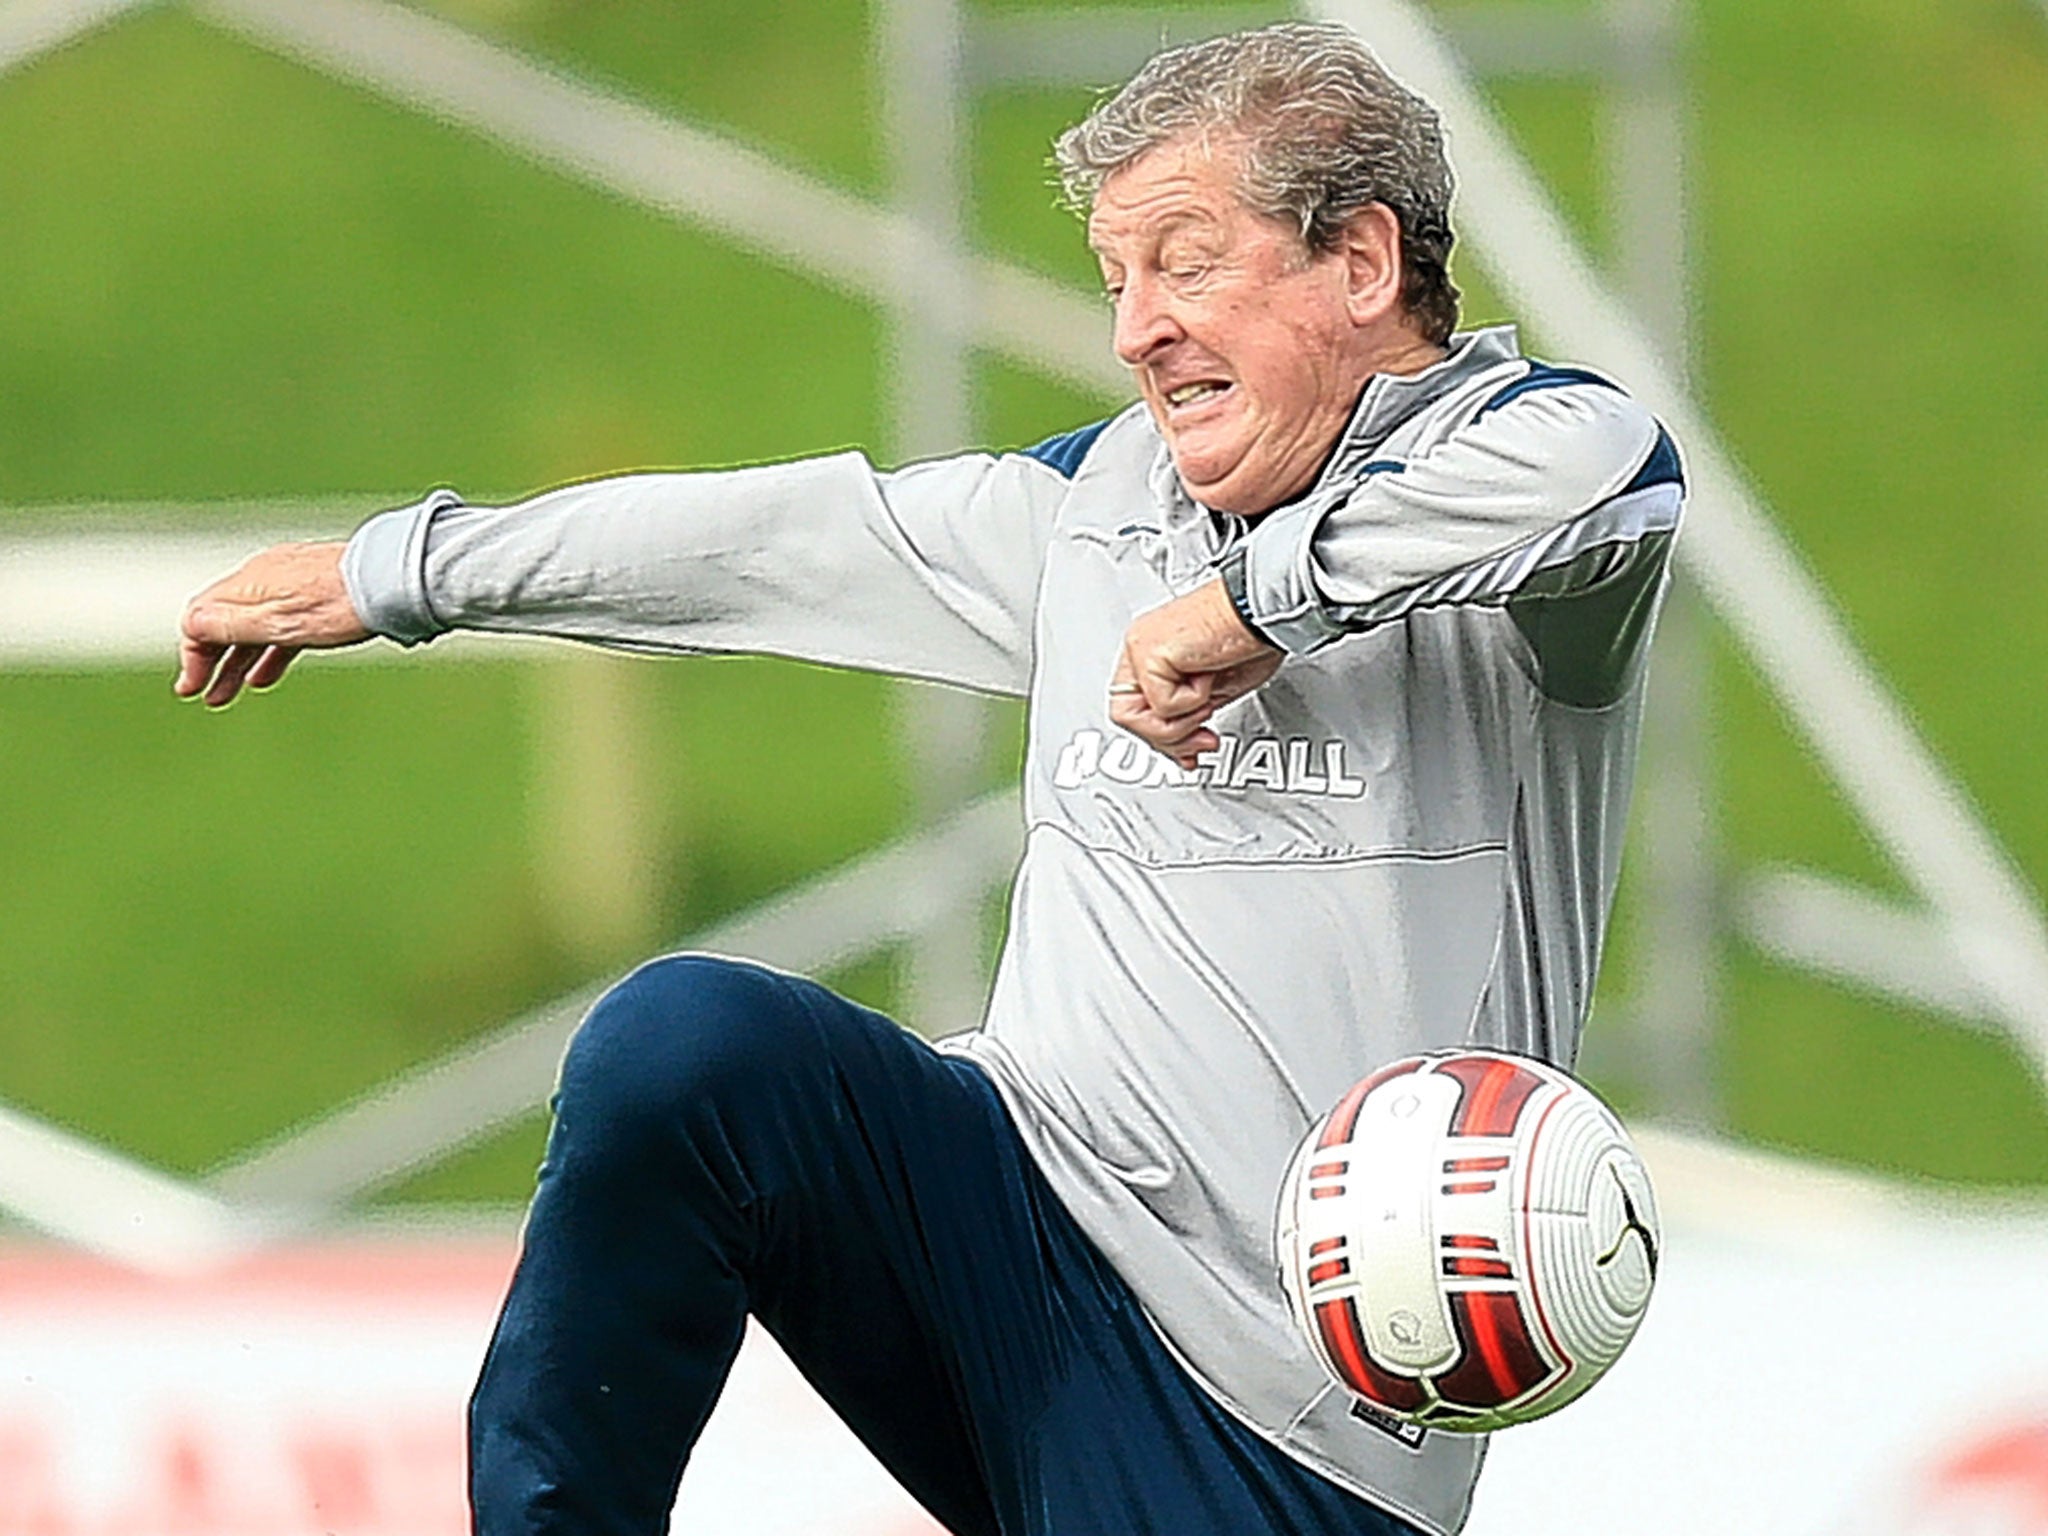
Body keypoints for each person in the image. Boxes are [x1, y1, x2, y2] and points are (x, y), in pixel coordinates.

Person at [176, 21, 1682, 1536]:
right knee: (692, 1050)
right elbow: (772, 543)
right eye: (1117, 283)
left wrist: (1252, 609)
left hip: (1282, 1411)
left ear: (1361, 263)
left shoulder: (1532, 529)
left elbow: (1608, 466)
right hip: (1011, 1219)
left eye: (1185, 261)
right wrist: (404, 572)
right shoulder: (1095, 509)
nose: (1136, 332)